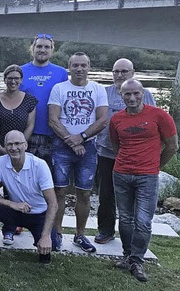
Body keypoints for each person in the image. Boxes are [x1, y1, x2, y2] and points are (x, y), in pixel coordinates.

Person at [110, 78, 177, 282]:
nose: (131, 97)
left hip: (147, 176)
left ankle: (137, 261)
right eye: (127, 94)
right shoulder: (116, 119)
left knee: (143, 221)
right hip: (121, 174)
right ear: (121, 96)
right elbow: (116, 146)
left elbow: (172, 146)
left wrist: (155, 166)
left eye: (135, 93)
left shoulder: (159, 115)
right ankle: (128, 255)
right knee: (125, 218)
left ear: (143, 93)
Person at [48, 52, 108, 253]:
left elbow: (102, 120)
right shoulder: (59, 88)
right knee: (60, 191)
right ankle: (56, 233)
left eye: (83, 65)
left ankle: (80, 235)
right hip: (61, 146)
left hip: (88, 147)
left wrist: (81, 137)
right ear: (69, 67)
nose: (79, 69)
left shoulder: (98, 89)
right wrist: (72, 142)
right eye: (75, 65)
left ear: (89, 66)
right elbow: (53, 119)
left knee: (84, 193)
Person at [94, 59, 156, 244]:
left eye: (124, 71)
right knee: (106, 194)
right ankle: (106, 230)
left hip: (135, 157)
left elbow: (154, 122)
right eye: (116, 71)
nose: (119, 75)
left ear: (133, 72)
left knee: (135, 197)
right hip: (106, 152)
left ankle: (135, 235)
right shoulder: (104, 93)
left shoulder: (144, 93)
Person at [0, 130, 57, 264]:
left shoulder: (40, 165)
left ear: (25, 145)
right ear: (5, 147)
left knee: (52, 245)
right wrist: (12, 204)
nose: (14, 148)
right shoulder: (1, 162)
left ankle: (47, 243)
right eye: (10, 144)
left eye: (18, 143)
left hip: (38, 214)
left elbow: (53, 203)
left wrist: (46, 236)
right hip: (15, 210)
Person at [0, 64, 38, 245]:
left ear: (21, 80)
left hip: (18, 152)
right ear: (4, 79)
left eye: (16, 78)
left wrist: (17, 148)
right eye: (9, 77)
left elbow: (30, 126)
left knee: (12, 192)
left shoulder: (29, 100)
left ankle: (9, 229)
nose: (13, 81)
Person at [20, 34, 68, 169]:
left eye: (47, 47)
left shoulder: (61, 73)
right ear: (32, 48)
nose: (43, 49)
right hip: (26, 133)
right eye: (39, 46)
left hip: (52, 134)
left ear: (52, 50)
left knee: (48, 180)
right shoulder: (20, 71)